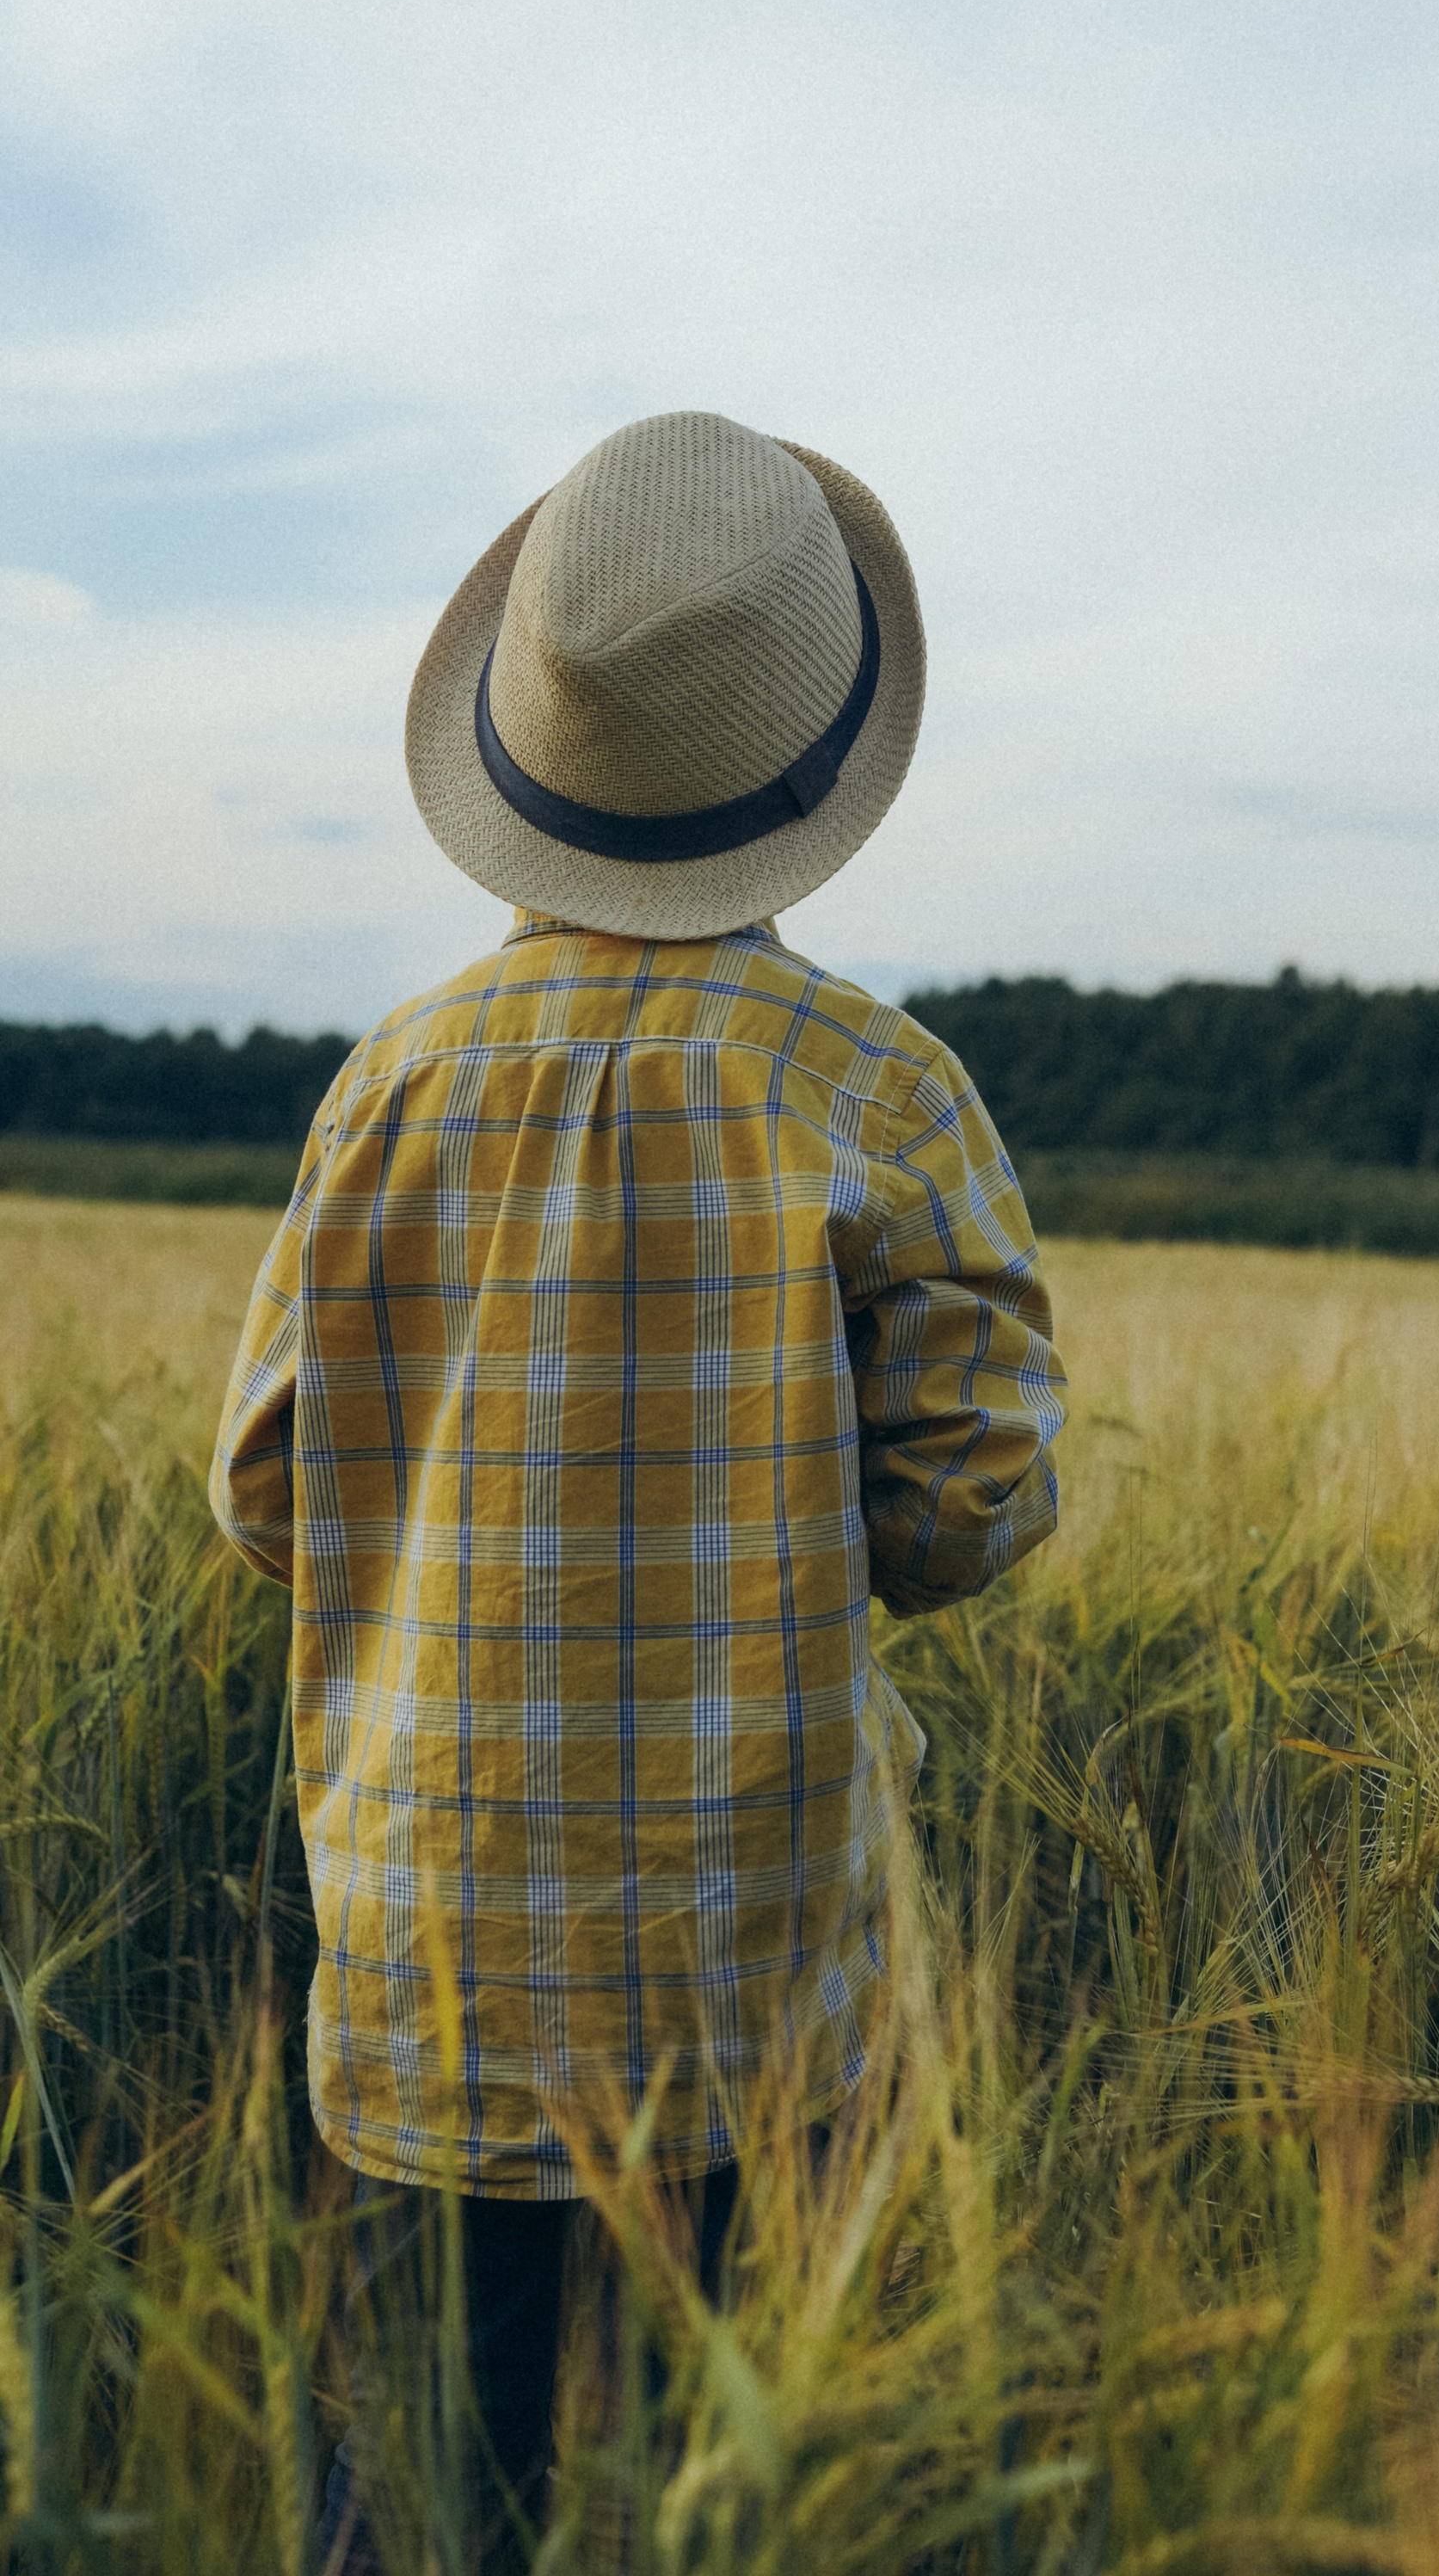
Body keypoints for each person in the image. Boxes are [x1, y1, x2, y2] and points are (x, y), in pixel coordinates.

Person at [207, 410, 1066, 2571]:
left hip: (424, 1970)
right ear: (816, 764)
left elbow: (269, 1490)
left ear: (525, 744)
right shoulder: (876, 1088)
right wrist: (770, 1532)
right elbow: (973, 1504)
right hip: (753, 1967)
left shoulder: (385, 1082)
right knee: (729, 2503)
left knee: (419, 2492)